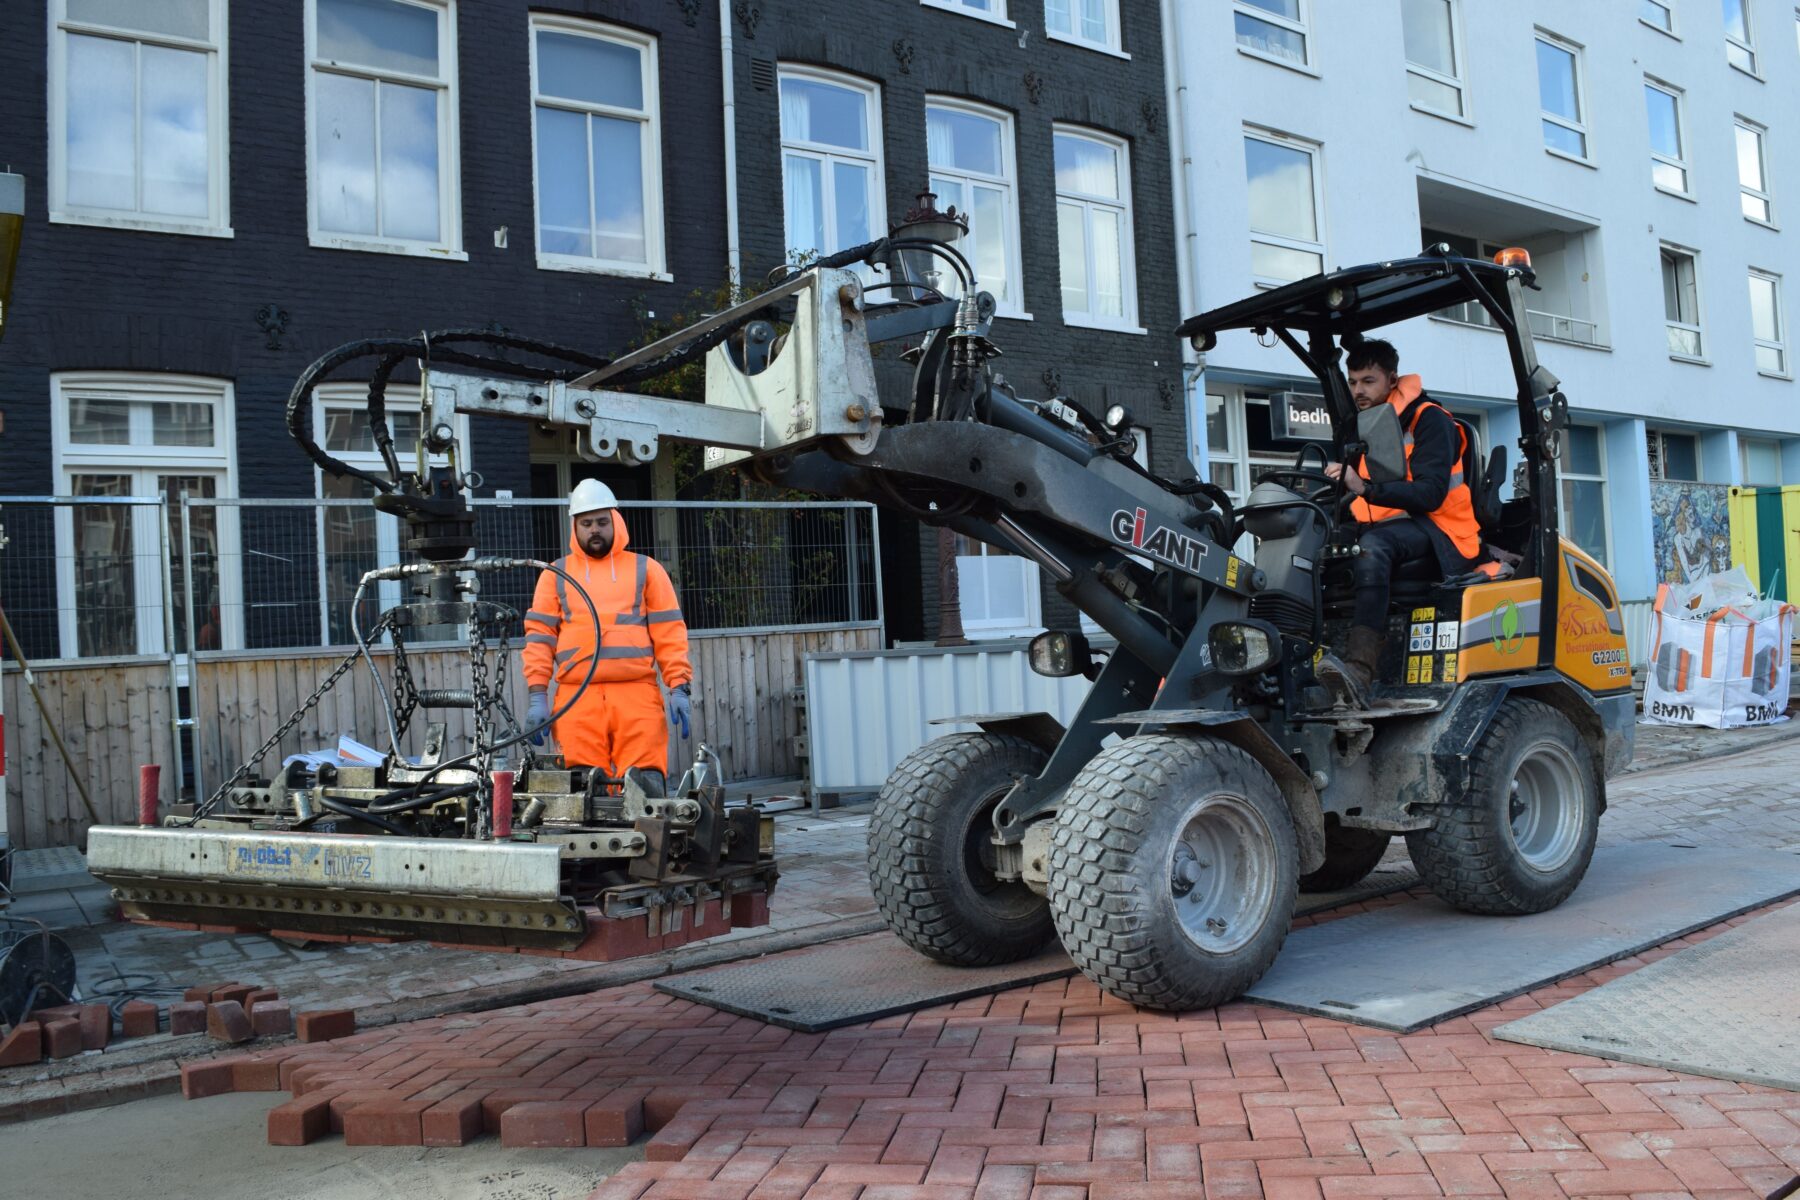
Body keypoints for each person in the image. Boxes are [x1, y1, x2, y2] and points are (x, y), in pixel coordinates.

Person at [1322, 338, 1481, 693]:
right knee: (1311, 542)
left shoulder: (1429, 420)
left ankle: (1361, 666)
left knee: (1372, 549)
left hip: (1440, 528)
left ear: (1392, 379)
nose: (1358, 390)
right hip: (1383, 521)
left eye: (1368, 381)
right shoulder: (1365, 422)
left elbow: (1430, 494)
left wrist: (1364, 487)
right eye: (1352, 382)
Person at [521, 478, 693, 793]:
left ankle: (647, 842)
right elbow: (539, 639)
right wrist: (537, 696)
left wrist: (678, 688)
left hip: (637, 696)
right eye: (586, 523)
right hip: (577, 698)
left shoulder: (647, 569)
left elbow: (669, 632)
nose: (595, 529)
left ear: (616, 520)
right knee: (583, 789)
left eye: (602, 521)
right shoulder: (554, 575)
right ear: (575, 527)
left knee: (646, 787)